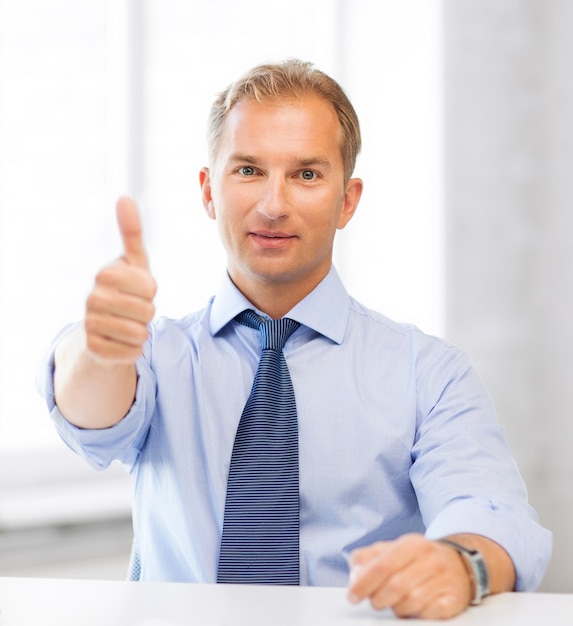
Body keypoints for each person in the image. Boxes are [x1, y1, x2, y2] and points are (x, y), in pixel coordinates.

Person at [39, 59, 551, 619]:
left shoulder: (427, 371)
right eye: (248, 171)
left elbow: (490, 510)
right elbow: (90, 413)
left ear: (347, 200)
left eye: (306, 174)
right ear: (209, 191)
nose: (274, 204)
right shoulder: (158, 354)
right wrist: (97, 349)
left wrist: (459, 564)